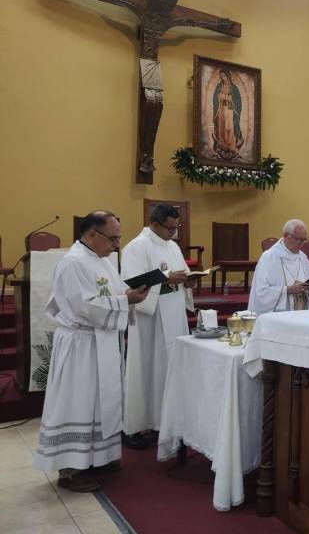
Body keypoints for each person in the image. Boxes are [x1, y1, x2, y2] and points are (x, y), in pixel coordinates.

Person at [33, 211, 149, 492]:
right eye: (113, 238)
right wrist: (125, 300)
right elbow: (83, 307)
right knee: (79, 402)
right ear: (92, 234)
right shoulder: (73, 263)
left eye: (118, 238)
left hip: (102, 341)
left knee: (101, 401)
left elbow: (114, 292)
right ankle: (71, 470)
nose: (117, 244)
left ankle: (99, 457)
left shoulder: (102, 260)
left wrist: (131, 294)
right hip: (80, 346)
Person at [121, 204, 193, 449]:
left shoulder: (172, 246)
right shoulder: (136, 247)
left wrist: (188, 281)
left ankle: (165, 420)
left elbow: (182, 272)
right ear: (154, 223)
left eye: (176, 227)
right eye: (170, 227)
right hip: (150, 317)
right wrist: (166, 279)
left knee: (169, 368)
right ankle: (135, 425)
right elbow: (132, 284)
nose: (174, 232)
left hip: (173, 312)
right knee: (146, 369)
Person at [248, 219, 309, 314]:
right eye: (298, 239)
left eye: (304, 240)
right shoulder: (269, 257)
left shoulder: (302, 257)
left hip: (301, 314)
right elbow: (260, 292)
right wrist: (287, 290)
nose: (301, 244)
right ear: (286, 235)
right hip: (279, 317)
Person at [212, 69, 243, 161]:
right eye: (221, 77)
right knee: (222, 127)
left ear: (228, 76)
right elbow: (215, 98)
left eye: (224, 76)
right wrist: (220, 97)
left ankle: (231, 145)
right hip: (221, 110)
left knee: (229, 128)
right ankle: (222, 144)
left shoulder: (234, 88)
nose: (223, 78)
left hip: (230, 111)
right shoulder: (219, 86)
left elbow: (238, 101)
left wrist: (230, 99)